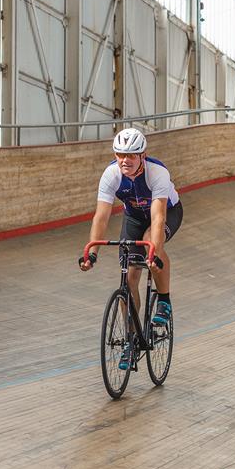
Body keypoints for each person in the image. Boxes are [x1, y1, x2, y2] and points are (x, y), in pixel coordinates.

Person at [79, 128, 182, 369]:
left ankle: (164, 300)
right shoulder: (111, 175)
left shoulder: (157, 173)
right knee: (129, 278)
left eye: (131, 155)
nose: (125, 160)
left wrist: (153, 252)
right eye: (120, 155)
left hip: (166, 213)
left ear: (142, 156)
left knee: (150, 244)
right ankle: (132, 337)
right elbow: (101, 217)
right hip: (134, 217)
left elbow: (158, 219)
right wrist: (92, 252)